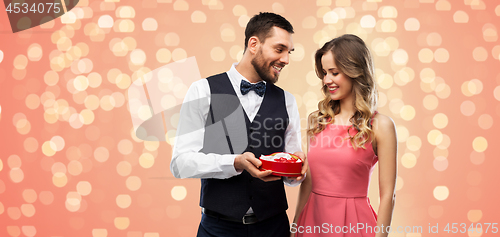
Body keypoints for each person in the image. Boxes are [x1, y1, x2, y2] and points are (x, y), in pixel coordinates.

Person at [170, 12, 307, 237]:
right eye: (279, 49)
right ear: (254, 44)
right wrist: (235, 163)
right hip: (217, 229)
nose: (286, 59)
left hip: (274, 228)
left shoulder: (287, 100)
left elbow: (291, 174)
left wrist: (296, 171)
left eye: (289, 52)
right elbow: (180, 163)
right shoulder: (202, 90)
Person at [292, 34, 397, 237]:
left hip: (354, 225)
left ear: (355, 72)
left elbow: (387, 196)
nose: (326, 80)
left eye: (334, 72)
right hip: (312, 224)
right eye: (324, 73)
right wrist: (295, 226)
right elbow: (308, 182)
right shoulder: (317, 120)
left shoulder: (380, 126)